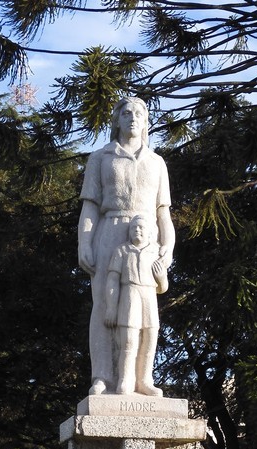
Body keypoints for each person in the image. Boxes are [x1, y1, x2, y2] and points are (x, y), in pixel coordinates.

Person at [78, 96, 175, 395]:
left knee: (145, 312)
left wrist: (168, 248)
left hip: (146, 239)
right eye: (126, 113)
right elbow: (90, 207)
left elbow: (163, 213)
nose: (133, 118)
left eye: (139, 114)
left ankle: (142, 379)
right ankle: (103, 376)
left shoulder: (157, 163)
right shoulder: (100, 158)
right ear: (117, 120)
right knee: (106, 305)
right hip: (109, 230)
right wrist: (84, 240)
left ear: (146, 122)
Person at [105, 215, 168, 395]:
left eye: (141, 228)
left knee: (149, 338)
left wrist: (161, 277)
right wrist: (111, 307)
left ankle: (145, 380)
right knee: (129, 340)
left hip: (149, 295)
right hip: (129, 294)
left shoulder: (156, 252)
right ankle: (126, 379)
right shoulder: (122, 251)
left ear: (149, 232)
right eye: (134, 228)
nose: (137, 231)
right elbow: (112, 280)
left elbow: (162, 288)